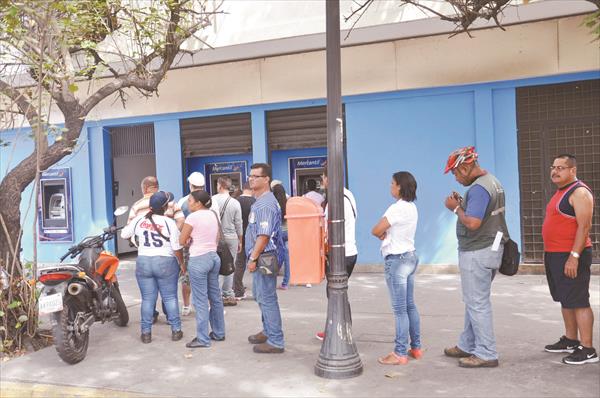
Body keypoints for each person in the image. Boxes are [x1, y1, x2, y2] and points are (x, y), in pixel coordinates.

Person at [442, 146, 508, 368]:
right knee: (474, 300)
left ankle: (486, 352)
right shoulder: (493, 182)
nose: (456, 177)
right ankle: (467, 344)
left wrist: (454, 209)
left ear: (467, 166)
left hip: (478, 251)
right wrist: (463, 205)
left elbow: (473, 223)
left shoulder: (479, 189)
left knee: (477, 303)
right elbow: (481, 214)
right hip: (490, 248)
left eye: (456, 172)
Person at [541, 154, 597, 365]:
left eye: (561, 168)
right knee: (566, 299)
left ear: (572, 170)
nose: (555, 171)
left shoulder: (580, 192)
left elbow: (584, 227)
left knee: (579, 301)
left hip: (571, 255)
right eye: (553, 167)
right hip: (555, 254)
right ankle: (571, 340)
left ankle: (588, 349)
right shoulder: (560, 192)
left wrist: (574, 256)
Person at [371, 171, 421, 365]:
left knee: (400, 310)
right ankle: (415, 347)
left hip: (397, 261)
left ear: (400, 186)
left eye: (392, 183)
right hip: (410, 256)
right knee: (410, 306)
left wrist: (381, 234)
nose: (390, 187)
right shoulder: (412, 208)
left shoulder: (396, 208)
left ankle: (399, 353)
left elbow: (375, 229)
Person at [121, 191, 184, 344]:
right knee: (170, 297)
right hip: (165, 262)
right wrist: (182, 264)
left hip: (144, 261)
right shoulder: (169, 222)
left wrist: (137, 241)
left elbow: (124, 234)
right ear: (164, 207)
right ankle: (176, 330)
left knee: (148, 299)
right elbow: (177, 247)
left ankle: (146, 333)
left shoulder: (138, 219)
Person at [315, 165, 358, 340]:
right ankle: (340, 327)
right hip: (350, 250)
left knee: (335, 294)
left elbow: (331, 227)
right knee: (338, 293)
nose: (323, 181)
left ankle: (340, 330)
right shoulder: (348, 194)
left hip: (340, 253)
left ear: (327, 178)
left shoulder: (336, 198)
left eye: (323, 177)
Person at [246, 163, 285, 354]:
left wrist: (253, 258)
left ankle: (276, 340)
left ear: (266, 179)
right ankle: (268, 331)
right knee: (261, 296)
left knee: (267, 298)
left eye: (256, 176)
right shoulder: (260, 201)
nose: (251, 179)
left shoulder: (266, 203)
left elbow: (264, 236)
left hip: (265, 257)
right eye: (250, 176)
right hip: (263, 256)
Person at [179, 190, 226, 348]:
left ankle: (203, 339)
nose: (188, 203)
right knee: (215, 297)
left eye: (190, 201)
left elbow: (181, 240)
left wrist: (190, 241)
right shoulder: (212, 214)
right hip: (213, 257)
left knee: (200, 301)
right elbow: (217, 236)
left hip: (199, 259)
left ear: (198, 203)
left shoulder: (192, 217)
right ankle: (219, 332)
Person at [177, 172, 220, 315]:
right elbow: (218, 227)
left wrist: (186, 240)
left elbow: (180, 228)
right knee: (211, 282)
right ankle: (211, 306)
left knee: (186, 275)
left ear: (190, 185)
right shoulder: (211, 202)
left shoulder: (183, 201)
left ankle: (186, 305)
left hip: (192, 248)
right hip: (211, 250)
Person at [211, 176, 243, 306]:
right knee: (230, 266)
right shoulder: (235, 202)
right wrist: (240, 241)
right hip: (232, 238)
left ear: (219, 185)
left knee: (216, 266)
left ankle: (216, 294)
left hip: (216, 238)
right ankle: (228, 294)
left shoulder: (212, 200)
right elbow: (239, 223)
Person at [234, 182, 256, 300]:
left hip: (239, 236)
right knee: (255, 263)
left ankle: (237, 289)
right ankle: (257, 291)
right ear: (251, 189)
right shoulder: (255, 202)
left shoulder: (236, 201)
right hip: (252, 237)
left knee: (240, 264)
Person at [272, 183, 290, 290]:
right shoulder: (289, 202)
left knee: (276, 256)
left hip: (278, 232)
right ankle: (285, 283)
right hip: (288, 232)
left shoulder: (274, 204)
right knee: (287, 258)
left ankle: (272, 279)